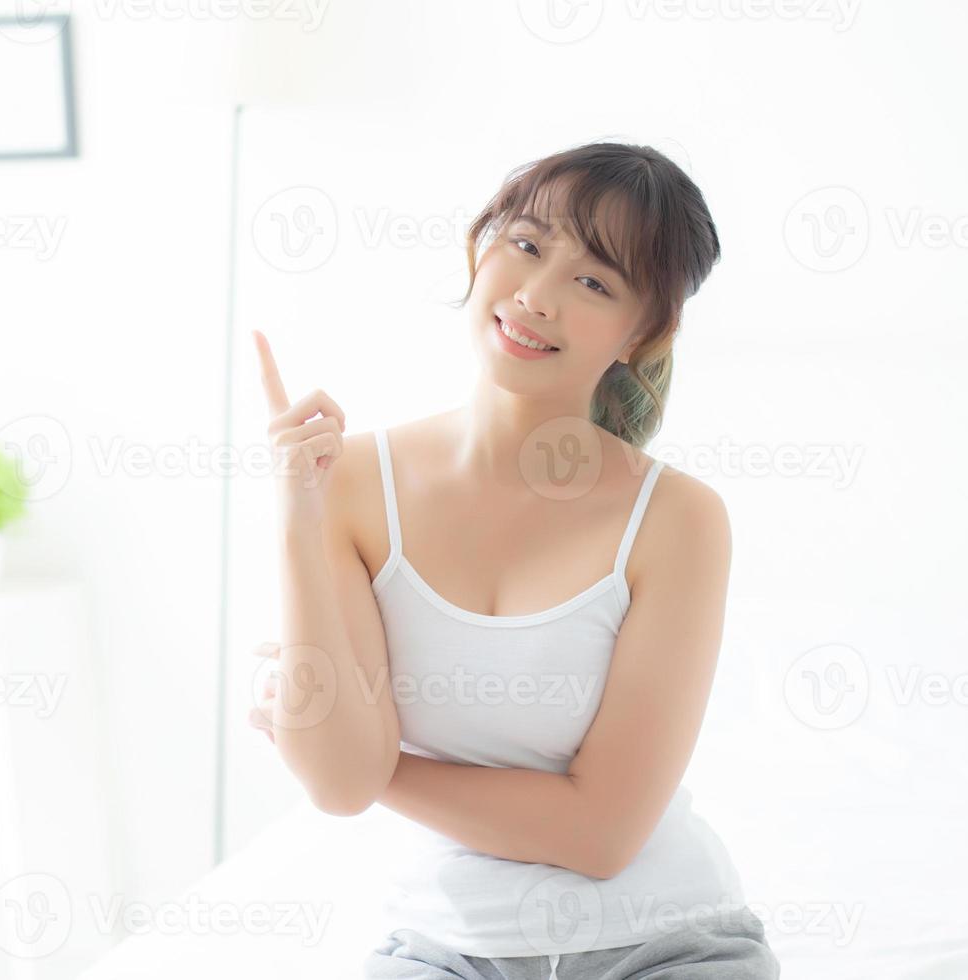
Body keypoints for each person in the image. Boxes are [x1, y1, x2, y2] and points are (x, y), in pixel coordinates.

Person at [250, 140, 779, 979]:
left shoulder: (676, 521)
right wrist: (293, 512)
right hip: (444, 951)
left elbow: (603, 835)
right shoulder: (345, 485)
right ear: (480, 244)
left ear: (643, 331)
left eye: (595, 282)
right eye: (527, 246)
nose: (536, 298)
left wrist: (370, 755)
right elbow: (336, 789)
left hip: (667, 940)